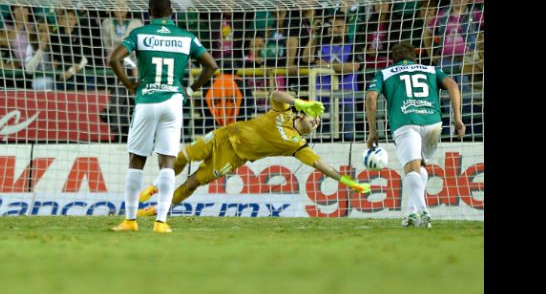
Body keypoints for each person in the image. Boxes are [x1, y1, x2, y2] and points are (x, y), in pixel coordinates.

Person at [136, 90, 370, 217]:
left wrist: (348, 182)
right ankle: (157, 186)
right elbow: (276, 94)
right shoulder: (285, 112)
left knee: (193, 182)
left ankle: (160, 209)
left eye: (319, 121)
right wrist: (302, 102)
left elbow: (321, 166)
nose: (317, 120)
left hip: (234, 158)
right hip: (225, 135)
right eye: (314, 116)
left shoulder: (298, 145)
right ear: (302, 114)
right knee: (184, 156)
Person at [110, 0, 218, 233]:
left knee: (136, 160)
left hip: (147, 99)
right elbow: (211, 66)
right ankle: (161, 222)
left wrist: (130, 85)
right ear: (171, 12)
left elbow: (114, 59)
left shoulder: (140, 34)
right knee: (167, 162)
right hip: (173, 101)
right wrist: (189, 90)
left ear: (149, 12)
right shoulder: (186, 37)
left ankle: (130, 220)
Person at [365, 42, 465, 229]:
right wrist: (457, 117)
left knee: (411, 169)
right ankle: (410, 213)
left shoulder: (385, 72)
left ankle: (423, 211)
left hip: (406, 121)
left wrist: (372, 131)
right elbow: (452, 83)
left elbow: (371, 97)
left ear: (393, 59)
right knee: (421, 166)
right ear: (414, 57)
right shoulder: (432, 69)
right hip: (433, 123)